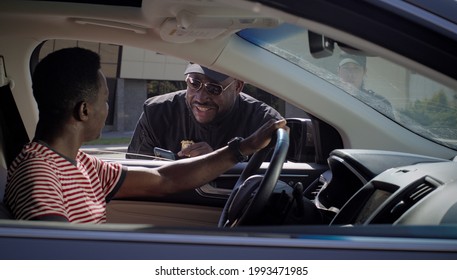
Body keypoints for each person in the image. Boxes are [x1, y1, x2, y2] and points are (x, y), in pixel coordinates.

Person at [3, 47, 287, 223]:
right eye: (105, 100)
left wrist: (241, 148)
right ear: (84, 111)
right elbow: (54, 257)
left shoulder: (82, 164)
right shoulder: (38, 175)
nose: (108, 107)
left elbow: (164, 179)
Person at [127, 63, 282, 159]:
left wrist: (215, 163)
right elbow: (134, 169)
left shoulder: (263, 122)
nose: (200, 98)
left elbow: (268, 184)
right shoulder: (158, 112)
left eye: (214, 88)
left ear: (238, 87)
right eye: (194, 83)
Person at [337, 53, 394, 118]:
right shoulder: (329, 96)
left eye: (356, 69)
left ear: (364, 72)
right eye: (346, 68)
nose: (350, 74)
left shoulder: (379, 103)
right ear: (338, 71)